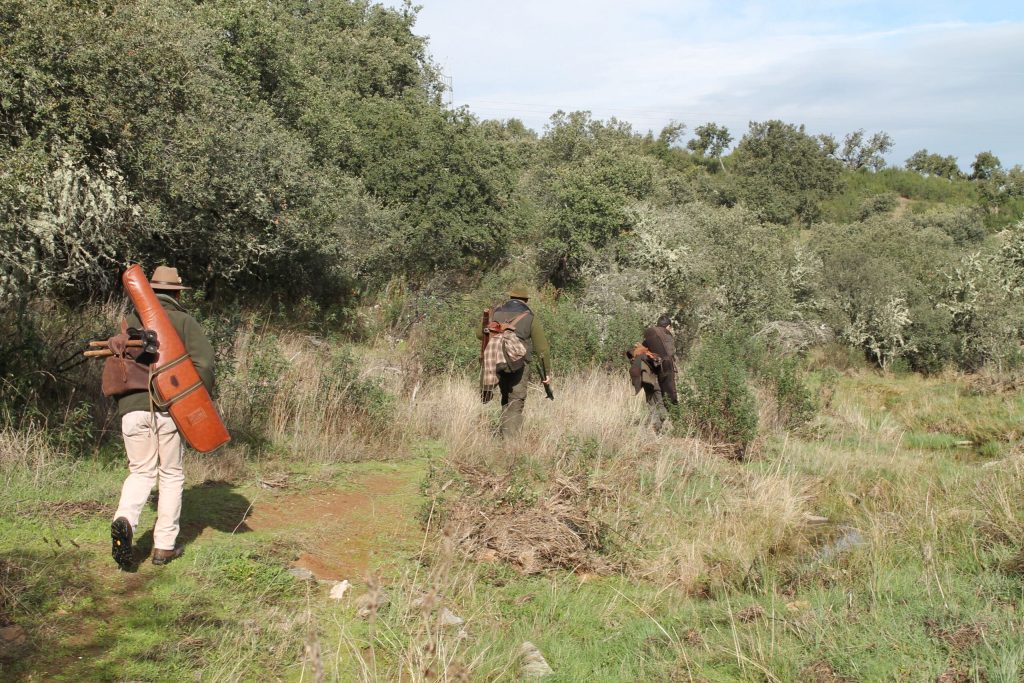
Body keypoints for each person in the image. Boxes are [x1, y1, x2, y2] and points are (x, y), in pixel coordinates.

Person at [109, 266, 215, 569]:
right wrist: (197, 406)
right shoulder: (183, 321)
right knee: (170, 475)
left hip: (131, 411)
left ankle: (125, 520)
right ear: (178, 293)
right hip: (168, 410)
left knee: (140, 472)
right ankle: (164, 547)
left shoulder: (129, 323)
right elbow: (203, 366)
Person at [477, 287, 551, 438]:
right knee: (515, 401)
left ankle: (503, 435)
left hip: (496, 361)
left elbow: (479, 335)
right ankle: (510, 445)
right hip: (519, 365)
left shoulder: (496, 312)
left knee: (505, 397)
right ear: (526, 300)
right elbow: (542, 349)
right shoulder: (530, 317)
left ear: (510, 297)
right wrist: (546, 373)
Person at [627, 342, 669, 434]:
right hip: (656, 383)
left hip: (647, 384)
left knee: (651, 405)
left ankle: (656, 427)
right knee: (660, 404)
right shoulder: (650, 355)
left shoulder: (638, 358)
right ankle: (659, 424)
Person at [643, 315, 678, 405]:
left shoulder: (650, 334)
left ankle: (655, 417)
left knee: (654, 397)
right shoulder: (666, 335)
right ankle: (673, 415)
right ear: (668, 326)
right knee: (669, 394)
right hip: (663, 369)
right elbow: (670, 353)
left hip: (647, 372)